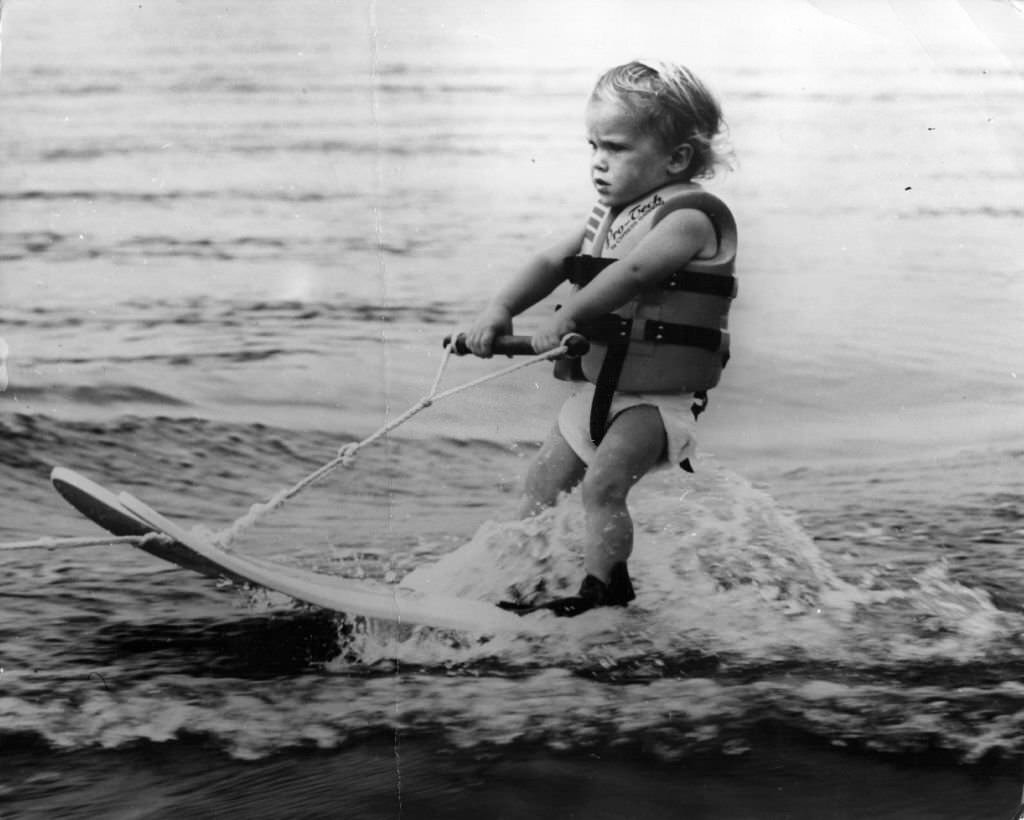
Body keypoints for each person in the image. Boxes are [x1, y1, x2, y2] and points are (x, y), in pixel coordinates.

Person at [463, 60, 737, 617]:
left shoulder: (691, 219)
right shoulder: (607, 217)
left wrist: (568, 318)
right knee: (541, 486)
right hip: (597, 394)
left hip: (655, 405)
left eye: (614, 148)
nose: (597, 163)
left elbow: (632, 275)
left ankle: (605, 590)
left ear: (677, 158)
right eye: (592, 146)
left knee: (603, 487)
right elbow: (550, 260)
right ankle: (523, 584)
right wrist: (500, 310)